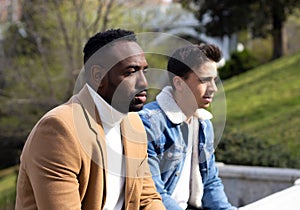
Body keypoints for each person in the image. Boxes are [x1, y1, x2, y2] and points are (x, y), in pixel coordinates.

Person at [15, 29, 165, 210]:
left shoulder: (134, 124)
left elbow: (147, 199)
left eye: (144, 72)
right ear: (98, 76)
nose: (143, 83)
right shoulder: (59, 130)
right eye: (131, 72)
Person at [139, 44, 237, 210]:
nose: (213, 88)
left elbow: (210, 183)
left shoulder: (204, 125)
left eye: (214, 80)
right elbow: (154, 194)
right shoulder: (149, 123)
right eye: (205, 80)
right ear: (178, 83)